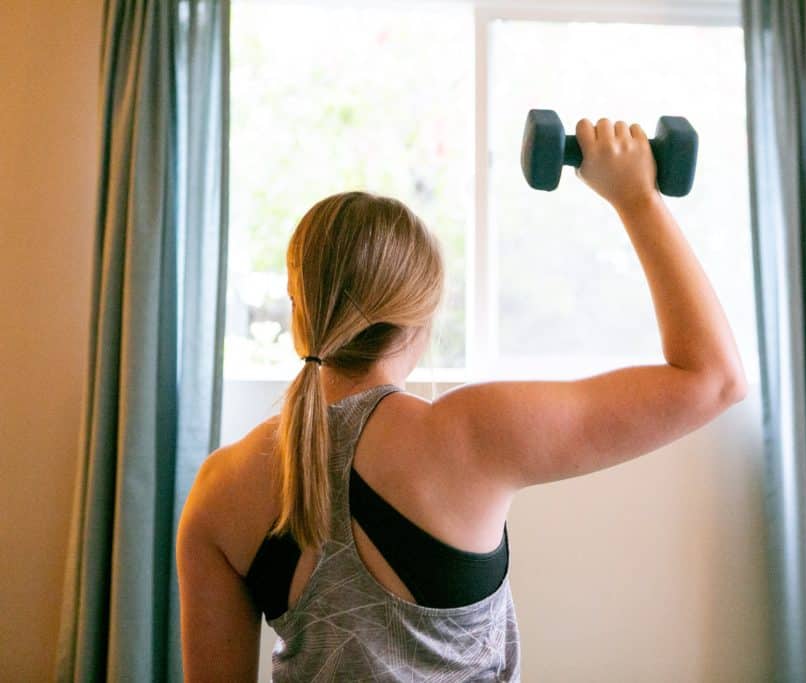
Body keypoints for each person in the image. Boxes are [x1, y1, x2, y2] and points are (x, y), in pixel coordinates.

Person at [176, 117, 748, 681]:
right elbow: (714, 378)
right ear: (419, 318)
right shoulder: (467, 434)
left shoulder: (219, 489)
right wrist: (636, 198)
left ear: (297, 305)